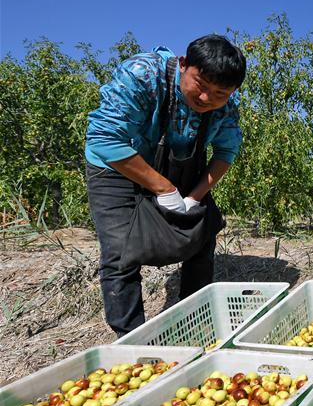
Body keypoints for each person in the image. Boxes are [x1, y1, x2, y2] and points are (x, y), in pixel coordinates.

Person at [85, 34, 246, 337]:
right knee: (120, 251)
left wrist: (195, 197)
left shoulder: (225, 106)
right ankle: (132, 340)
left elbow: (226, 151)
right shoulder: (142, 75)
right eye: (201, 85)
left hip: (179, 162)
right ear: (184, 65)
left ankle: (194, 321)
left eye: (220, 93)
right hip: (117, 164)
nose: (206, 99)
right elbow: (105, 138)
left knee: (203, 232)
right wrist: (165, 189)